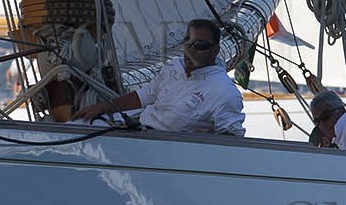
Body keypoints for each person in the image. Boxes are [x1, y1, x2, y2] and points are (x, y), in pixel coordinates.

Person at [69, 18, 244, 135]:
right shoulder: (175, 66)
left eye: (199, 45)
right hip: (137, 131)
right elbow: (145, 96)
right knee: (73, 128)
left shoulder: (224, 92)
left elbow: (231, 140)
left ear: (215, 50)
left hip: (165, 152)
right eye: (187, 42)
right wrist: (102, 107)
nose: (190, 50)